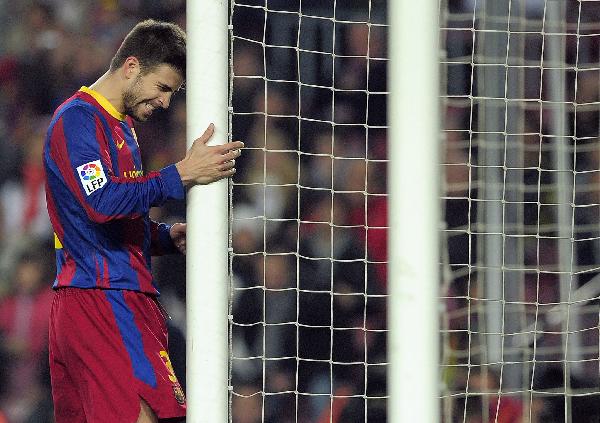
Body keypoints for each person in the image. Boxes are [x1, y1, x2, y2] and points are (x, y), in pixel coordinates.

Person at [43, 19, 243, 423]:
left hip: (113, 295)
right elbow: (101, 201)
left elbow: (111, 220)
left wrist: (167, 237)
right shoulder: (79, 120)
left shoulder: (124, 129)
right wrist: (181, 174)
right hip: (101, 298)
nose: (166, 103)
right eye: (163, 88)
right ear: (132, 66)